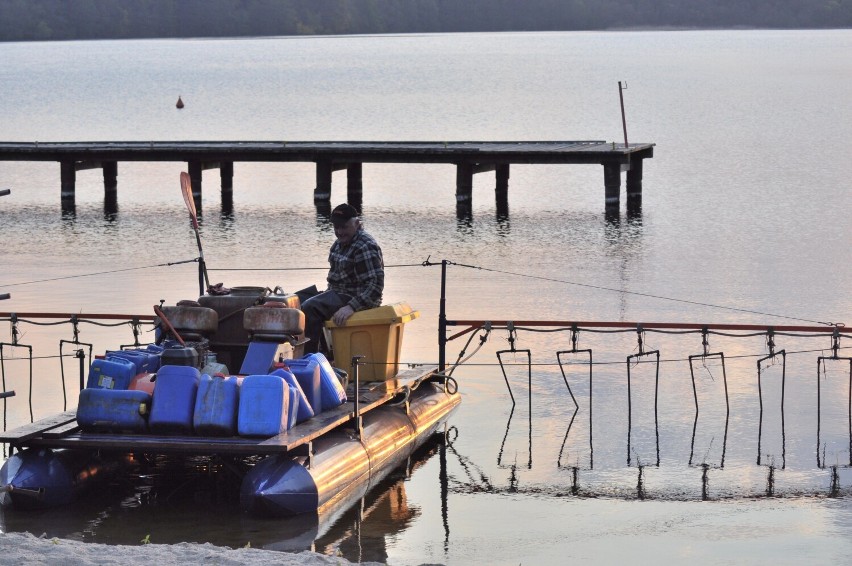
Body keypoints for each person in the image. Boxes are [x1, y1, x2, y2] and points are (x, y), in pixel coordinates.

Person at [300, 203, 384, 355]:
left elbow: (375, 286)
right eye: (336, 227)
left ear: (357, 223)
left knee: (310, 307)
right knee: (295, 300)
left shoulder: (365, 246)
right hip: (336, 292)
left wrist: (351, 307)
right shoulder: (339, 244)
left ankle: (308, 360)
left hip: (355, 297)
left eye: (344, 227)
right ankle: (322, 351)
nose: (339, 232)